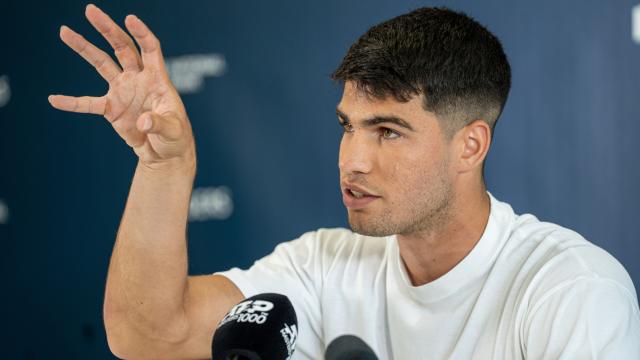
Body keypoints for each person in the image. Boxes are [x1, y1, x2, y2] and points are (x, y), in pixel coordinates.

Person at [49, 4, 640, 359]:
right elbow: (148, 337)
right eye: (347, 126)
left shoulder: (570, 290)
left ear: (470, 144)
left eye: (387, 131)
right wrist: (163, 166)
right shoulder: (324, 267)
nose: (352, 159)